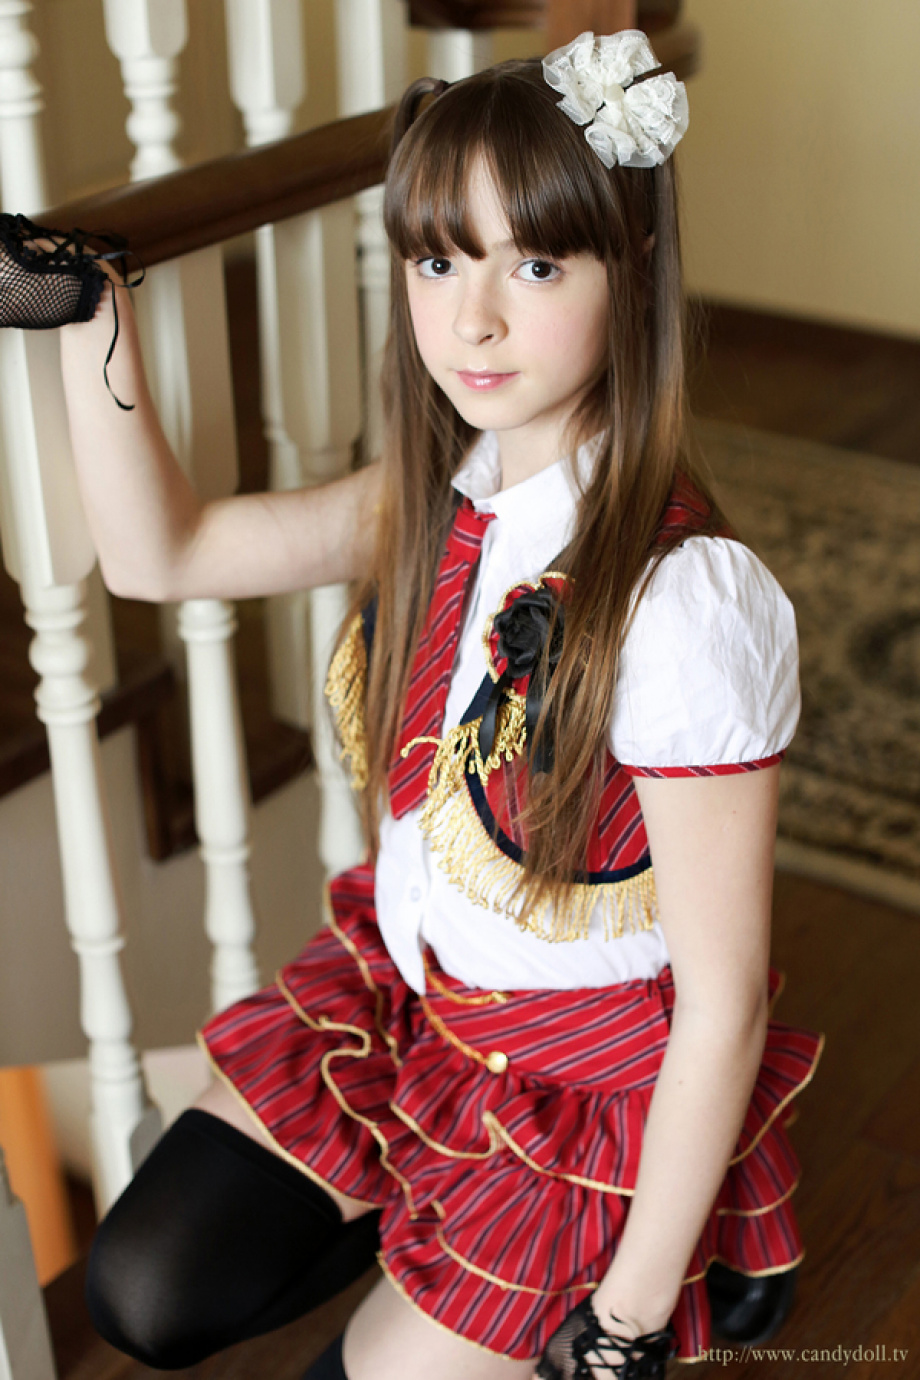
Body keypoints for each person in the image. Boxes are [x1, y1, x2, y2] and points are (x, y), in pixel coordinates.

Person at [0, 31, 823, 1380]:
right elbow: (164, 557)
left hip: (573, 1085)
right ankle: (425, 1221)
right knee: (144, 1292)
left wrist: (623, 1321)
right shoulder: (435, 492)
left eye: (536, 264)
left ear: (633, 271)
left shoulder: (684, 601)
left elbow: (722, 1004)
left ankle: (680, 1237)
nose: (472, 319)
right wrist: (94, 316)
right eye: (439, 261)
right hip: (411, 1001)